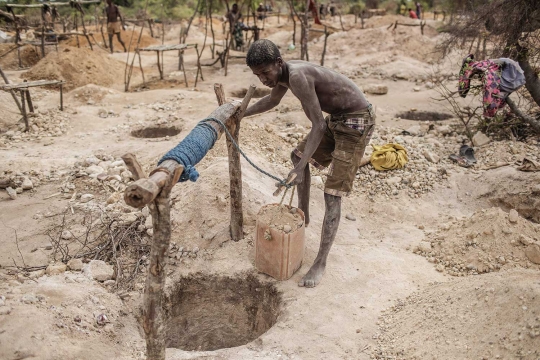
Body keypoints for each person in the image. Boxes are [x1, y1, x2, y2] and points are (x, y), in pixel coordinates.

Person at [244, 39, 375, 288]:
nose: (262, 79)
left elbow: (318, 125)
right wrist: (240, 113)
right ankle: (304, 216)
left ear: (279, 63)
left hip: (356, 122)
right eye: (257, 75)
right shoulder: (282, 77)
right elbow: (271, 101)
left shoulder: (297, 77)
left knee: (332, 193)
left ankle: (320, 263)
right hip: (337, 118)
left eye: (265, 72)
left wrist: (300, 168)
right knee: (297, 157)